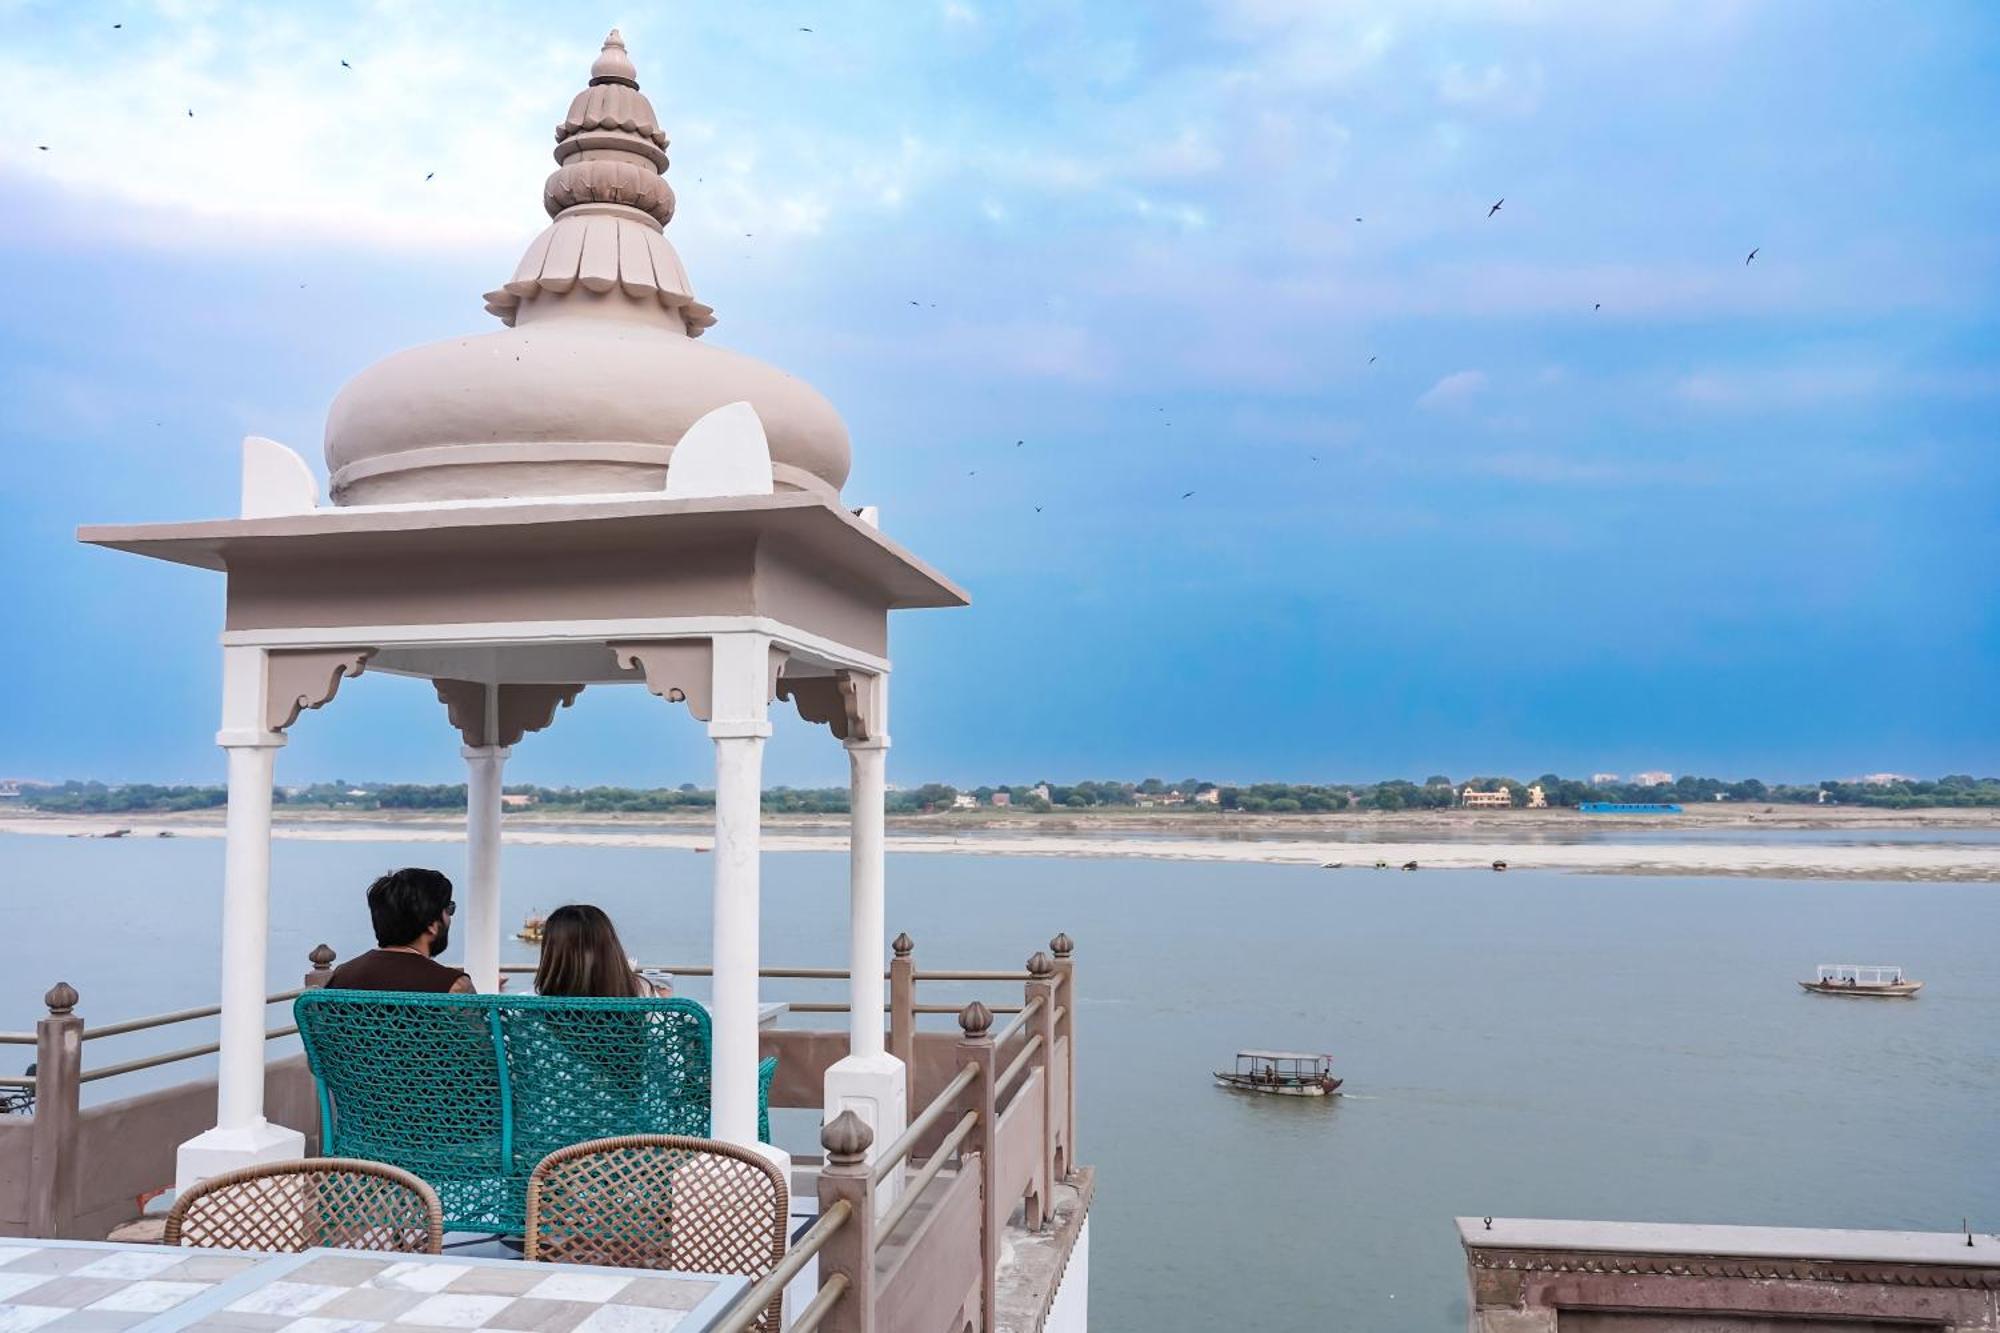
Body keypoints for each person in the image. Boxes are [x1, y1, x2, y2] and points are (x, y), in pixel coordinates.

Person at [326, 867, 473, 994]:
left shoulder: (343, 976)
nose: (450, 917)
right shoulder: (453, 986)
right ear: (431, 925)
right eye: (449, 909)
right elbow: (478, 1027)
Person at [533, 904, 669, 998]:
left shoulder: (526, 1004)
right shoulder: (642, 994)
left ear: (550, 954)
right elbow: (665, 1037)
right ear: (611, 951)